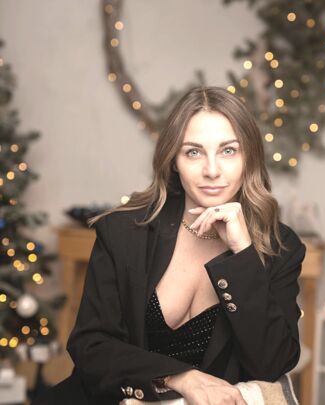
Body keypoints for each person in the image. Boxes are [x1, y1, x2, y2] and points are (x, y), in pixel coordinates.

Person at [33, 86, 306, 405]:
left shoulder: (281, 247)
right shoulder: (124, 231)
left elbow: (272, 364)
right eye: (194, 152)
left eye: (228, 151)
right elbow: (90, 346)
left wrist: (243, 253)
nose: (212, 170)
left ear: (249, 158)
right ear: (174, 160)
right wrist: (180, 377)